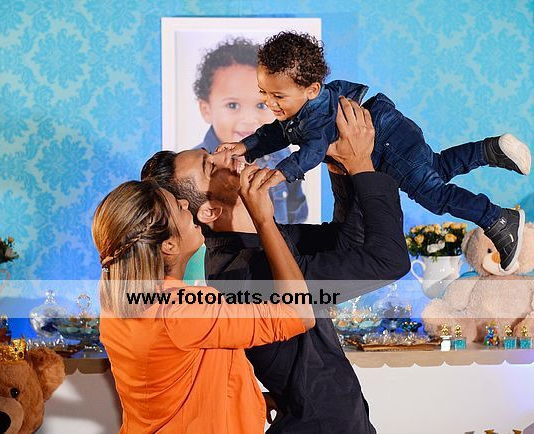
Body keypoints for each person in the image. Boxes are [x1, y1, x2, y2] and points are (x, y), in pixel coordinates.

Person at [141, 97, 410, 433]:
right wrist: (361, 166)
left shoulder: (262, 240)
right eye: (211, 165)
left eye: (212, 152)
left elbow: (348, 243)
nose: (226, 151)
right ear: (208, 211)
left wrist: (339, 163)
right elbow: (388, 261)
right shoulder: (243, 273)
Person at [220, 31, 530, 274]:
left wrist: (280, 174)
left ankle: (497, 219)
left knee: (434, 196)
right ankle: (491, 150)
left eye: (277, 95)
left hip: (387, 143)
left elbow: (313, 152)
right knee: (435, 169)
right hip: (391, 133)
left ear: (311, 89)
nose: (269, 103)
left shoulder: (318, 118)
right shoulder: (300, 109)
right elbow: (275, 133)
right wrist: (245, 146)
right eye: (263, 93)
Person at [94, 173, 316, 433]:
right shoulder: (185, 309)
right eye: (178, 207)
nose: (186, 203)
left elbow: (170, 382)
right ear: (169, 245)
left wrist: (248, 398)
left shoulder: (115, 304)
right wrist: (264, 221)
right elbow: (300, 314)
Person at [192, 37, 308, 224]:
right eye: (232, 105)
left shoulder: (282, 157)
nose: (248, 119)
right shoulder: (193, 170)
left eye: (261, 106)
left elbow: (296, 214)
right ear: (206, 109)